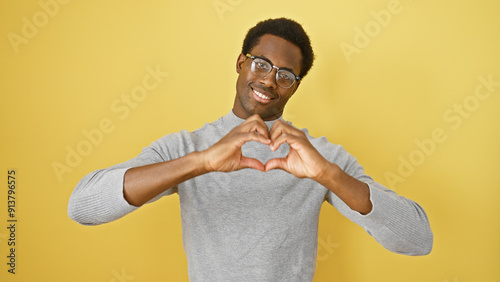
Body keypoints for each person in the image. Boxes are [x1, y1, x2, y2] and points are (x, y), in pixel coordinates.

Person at [68, 18, 433, 281]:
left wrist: (328, 175)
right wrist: (200, 163)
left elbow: (418, 239)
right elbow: (83, 206)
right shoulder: (187, 148)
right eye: (261, 64)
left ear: (294, 87)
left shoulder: (318, 158)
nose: (270, 80)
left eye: (286, 75)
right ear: (242, 63)